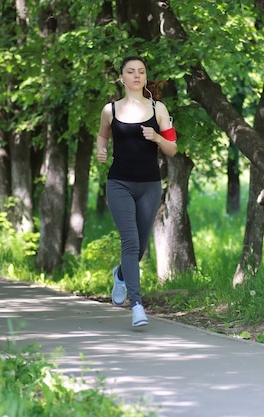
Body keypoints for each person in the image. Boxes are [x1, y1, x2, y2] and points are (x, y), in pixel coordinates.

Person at [96, 55, 177, 327]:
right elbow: (103, 134)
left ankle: (120, 274)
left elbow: (173, 148)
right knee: (130, 243)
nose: (136, 75)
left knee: (140, 247)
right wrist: (101, 149)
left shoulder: (159, 109)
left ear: (145, 76)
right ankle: (138, 306)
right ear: (122, 78)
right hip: (119, 183)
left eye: (141, 71)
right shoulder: (111, 110)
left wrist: (156, 137)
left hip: (150, 185)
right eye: (130, 72)